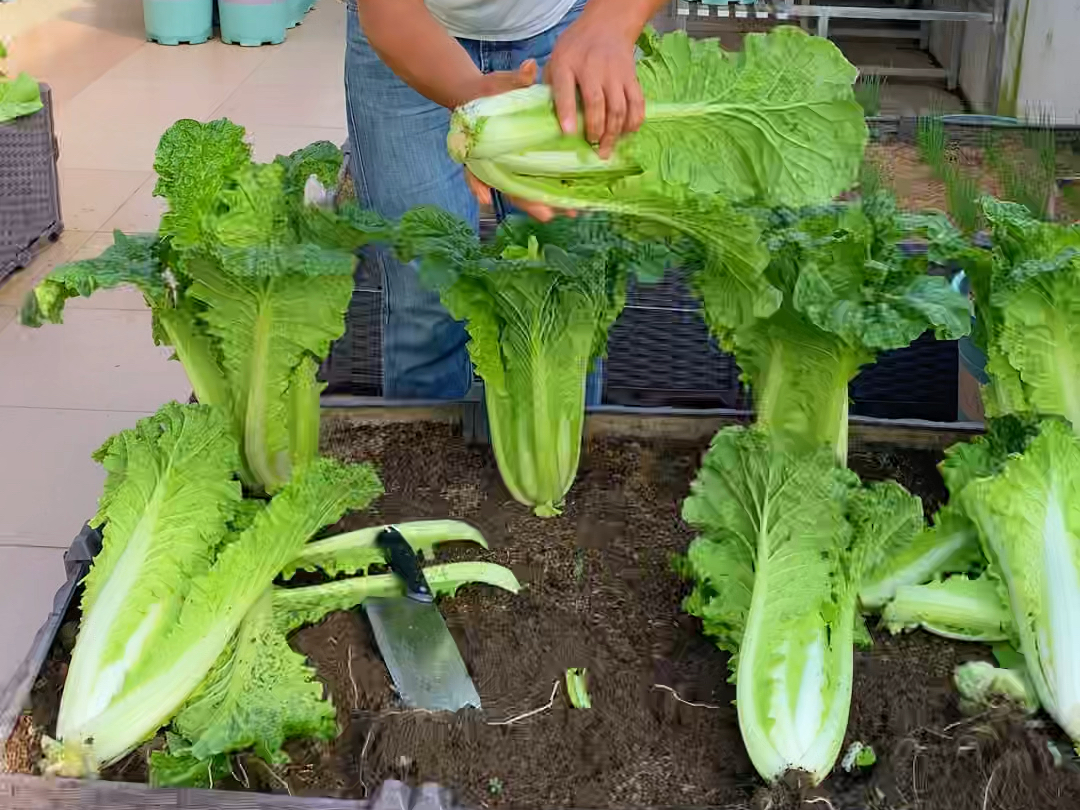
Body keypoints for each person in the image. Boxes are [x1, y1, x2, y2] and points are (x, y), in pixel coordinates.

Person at [345, 0, 667, 399]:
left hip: (567, 24)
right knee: (425, 297)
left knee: (570, 290)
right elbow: (389, 10)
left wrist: (614, 20)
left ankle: (570, 457)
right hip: (411, 32)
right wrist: (466, 95)